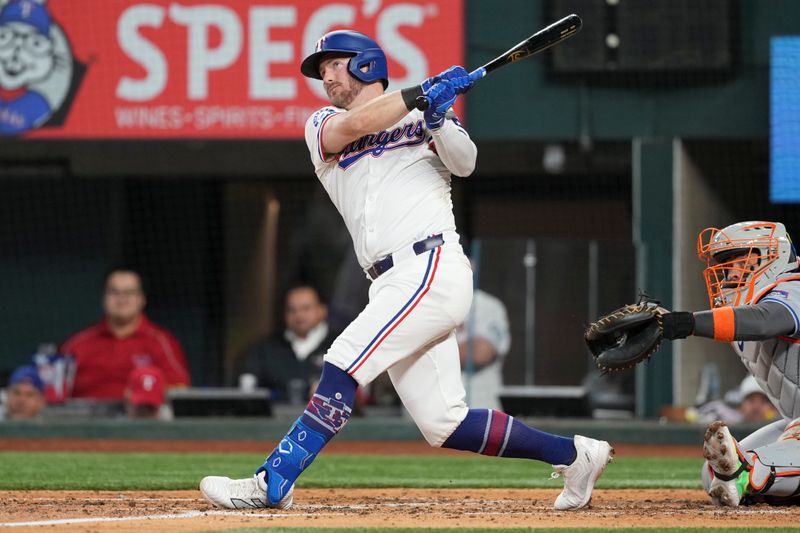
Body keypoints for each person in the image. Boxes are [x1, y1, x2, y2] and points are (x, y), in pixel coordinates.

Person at [199, 30, 613, 512]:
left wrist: (438, 116)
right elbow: (349, 128)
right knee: (444, 424)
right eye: (322, 68)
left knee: (344, 358)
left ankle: (272, 481)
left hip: (432, 266)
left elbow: (467, 163)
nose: (326, 75)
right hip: (390, 282)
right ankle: (577, 456)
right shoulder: (324, 123)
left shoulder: (424, 115)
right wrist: (421, 94)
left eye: (334, 63)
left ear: (366, 64)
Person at [624, 221, 800, 506]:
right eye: (724, 262)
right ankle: (758, 480)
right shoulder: (752, 305)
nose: (728, 270)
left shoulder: (792, 287)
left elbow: (767, 320)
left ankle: (753, 475)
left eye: (738, 259)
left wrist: (683, 323)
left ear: (771, 256)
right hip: (796, 423)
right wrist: (668, 321)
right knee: (715, 475)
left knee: (745, 469)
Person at [60, 267, 191, 401]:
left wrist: (147, 393)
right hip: (82, 418)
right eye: (114, 292)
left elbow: (180, 389)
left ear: (142, 299)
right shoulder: (78, 343)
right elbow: (53, 388)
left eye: (129, 292)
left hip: (141, 417)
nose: (122, 299)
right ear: (103, 297)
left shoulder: (161, 342)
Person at [238, 285, 338, 403]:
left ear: (322, 310)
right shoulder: (265, 348)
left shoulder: (340, 344)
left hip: (325, 419)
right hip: (277, 419)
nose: (298, 315)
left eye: (305, 308)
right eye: (292, 310)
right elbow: (247, 386)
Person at [457, 287, 511, 410]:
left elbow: (480, 353)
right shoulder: (421, 302)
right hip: (422, 418)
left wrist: (426, 350)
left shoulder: (488, 305)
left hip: (481, 414)